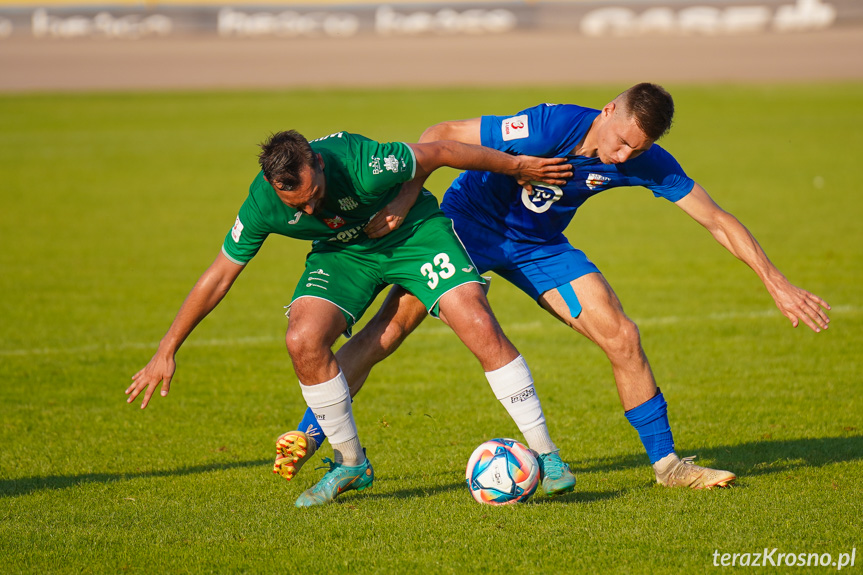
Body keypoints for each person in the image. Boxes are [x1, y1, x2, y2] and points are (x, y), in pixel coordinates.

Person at [286, 83, 831, 490]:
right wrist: (409, 196)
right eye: (619, 143)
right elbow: (439, 136)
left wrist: (775, 281)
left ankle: (669, 467)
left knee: (623, 335)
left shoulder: (643, 160)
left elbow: (715, 218)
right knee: (392, 326)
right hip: (466, 228)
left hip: (539, 248)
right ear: (609, 110)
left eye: (634, 152)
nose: (620, 158)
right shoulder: (548, 126)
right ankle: (317, 436)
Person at [125, 128, 578, 507]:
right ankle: (350, 464)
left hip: (413, 235)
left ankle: (546, 454)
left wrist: (516, 168)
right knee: (302, 338)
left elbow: (439, 152)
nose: (308, 212)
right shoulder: (263, 202)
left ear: (319, 165)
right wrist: (166, 349)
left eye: (314, 198)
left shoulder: (362, 161)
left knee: (477, 322)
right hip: (345, 257)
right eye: (296, 207)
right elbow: (220, 274)